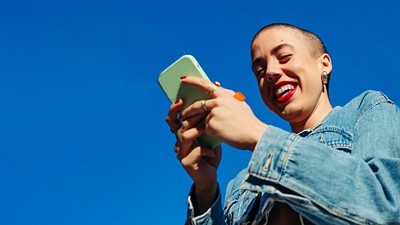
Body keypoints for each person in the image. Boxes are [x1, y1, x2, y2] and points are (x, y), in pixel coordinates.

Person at [165, 23, 400, 225]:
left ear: (324, 64)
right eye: (260, 70)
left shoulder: (366, 108)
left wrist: (260, 136)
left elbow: (387, 209)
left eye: (284, 57)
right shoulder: (241, 184)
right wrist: (205, 188)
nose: (270, 72)